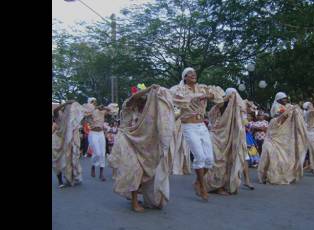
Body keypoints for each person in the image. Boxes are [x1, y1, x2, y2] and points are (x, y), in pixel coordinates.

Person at [108, 84, 174, 212]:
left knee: (146, 172)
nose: (143, 100)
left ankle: (142, 195)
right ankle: (134, 201)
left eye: (145, 98)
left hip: (142, 143)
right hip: (127, 139)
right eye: (142, 97)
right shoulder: (128, 105)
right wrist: (149, 89)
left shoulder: (148, 111)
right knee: (135, 169)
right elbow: (133, 98)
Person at [170, 67, 225, 201]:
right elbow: (176, 99)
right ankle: (202, 187)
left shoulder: (202, 88)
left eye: (194, 73)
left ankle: (197, 182)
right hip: (188, 126)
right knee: (199, 157)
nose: (193, 75)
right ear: (184, 77)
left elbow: (218, 97)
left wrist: (206, 95)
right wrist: (195, 97)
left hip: (202, 126)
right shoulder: (178, 89)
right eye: (190, 74)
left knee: (209, 160)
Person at [204, 88, 254, 195]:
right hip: (217, 136)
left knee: (228, 161)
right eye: (232, 95)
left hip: (230, 138)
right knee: (218, 161)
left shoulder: (238, 109)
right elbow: (211, 113)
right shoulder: (221, 105)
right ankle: (215, 186)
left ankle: (224, 185)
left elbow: (244, 120)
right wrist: (226, 99)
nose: (234, 98)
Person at [258, 93, 309, 185]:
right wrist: (287, 111)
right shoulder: (276, 113)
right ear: (278, 99)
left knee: (283, 158)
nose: (285, 100)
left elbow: (289, 117)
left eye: (286, 98)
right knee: (270, 156)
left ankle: (282, 175)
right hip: (274, 137)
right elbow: (281, 116)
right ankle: (266, 175)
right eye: (283, 98)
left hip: (283, 137)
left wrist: (293, 110)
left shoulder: (287, 108)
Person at [52, 100, 85, 188]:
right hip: (57, 139)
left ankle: (69, 177)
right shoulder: (58, 112)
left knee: (67, 159)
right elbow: (54, 111)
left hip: (66, 139)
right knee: (58, 161)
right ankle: (60, 181)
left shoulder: (70, 116)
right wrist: (65, 104)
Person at [84, 98, 117, 182]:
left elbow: (112, 110)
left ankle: (101, 173)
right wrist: (95, 108)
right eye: (92, 102)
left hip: (101, 133)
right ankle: (93, 166)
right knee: (97, 153)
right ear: (89, 103)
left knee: (102, 153)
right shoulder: (89, 112)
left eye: (94, 101)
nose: (93, 103)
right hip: (93, 133)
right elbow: (86, 114)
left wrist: (104, 107)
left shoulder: (102, 111)